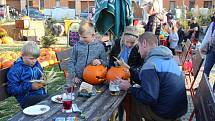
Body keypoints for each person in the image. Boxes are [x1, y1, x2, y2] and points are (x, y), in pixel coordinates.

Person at [117, 32, 188, 121]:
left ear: (144, 43)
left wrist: (129, 88)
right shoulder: (168, 58)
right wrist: (130, 69)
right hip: (178, 110)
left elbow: (149, 98)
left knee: (131, 100)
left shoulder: (150, 64)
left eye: (138, 47)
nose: (138, 51)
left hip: (165, 114)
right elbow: (148, 80)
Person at [109, 26, 143, 121]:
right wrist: (113, 65)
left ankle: (126, 116)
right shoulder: (117, 44)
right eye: (127, 42)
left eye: (132, 43)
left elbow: (140, 65)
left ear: (136, 41)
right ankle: (119, 116)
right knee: (115, 99)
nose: (128, 45)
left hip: (131, 78)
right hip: (116, 75)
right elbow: (111, 59)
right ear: (123, 38)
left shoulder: (137, 48)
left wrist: (131, 69)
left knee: (128, 101)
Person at [7, 41, 47, 109]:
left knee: (51, 99)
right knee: (46, 101)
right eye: (31, 58)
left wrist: (43, 80)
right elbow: (11, 89)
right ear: (23, 56)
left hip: (40, 94)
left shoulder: (36, 64)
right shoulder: (16, 70)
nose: (34, 61)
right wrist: (30, 86)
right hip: (26, 99)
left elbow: (41, 75)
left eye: (36, 58)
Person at [200, 12, 215, 91]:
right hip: (211, 50)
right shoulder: (212, 24)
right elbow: (207, 37)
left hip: (212, 50)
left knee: (206, 69)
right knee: (206, 70)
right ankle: (203, 87)